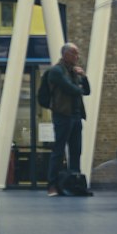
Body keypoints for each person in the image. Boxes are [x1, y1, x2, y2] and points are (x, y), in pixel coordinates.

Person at [45, 43, 91, 197]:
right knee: (58, 151)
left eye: (77, 53)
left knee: (76, 150)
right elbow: (71, 89)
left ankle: (75, 183)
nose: (77, 56)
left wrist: (83, 77)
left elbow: (87, 91)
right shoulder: (56, 71)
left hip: (76, 115)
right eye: (74, 53)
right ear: (65, 54)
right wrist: (79, 86)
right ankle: (52, 185)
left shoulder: (75, 72)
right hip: (62, 115)